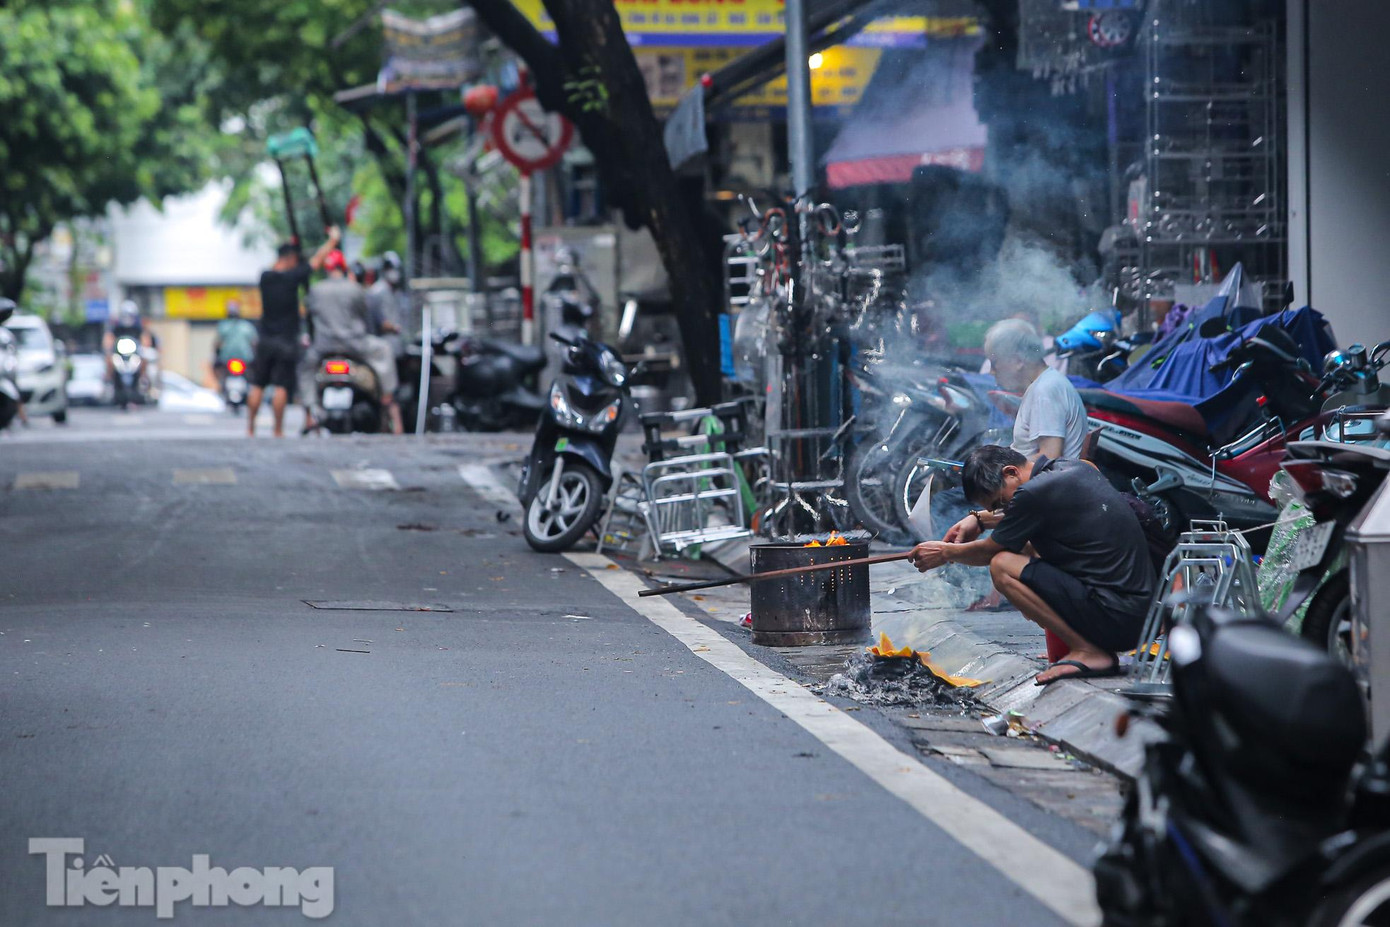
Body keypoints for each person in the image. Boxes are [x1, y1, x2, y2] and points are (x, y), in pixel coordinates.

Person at [909, 445, 1157, 686]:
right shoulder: (1075, 468)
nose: (1003, 510)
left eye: (999, 503)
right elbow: (1023, 512)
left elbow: (988, 551)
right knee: (1027, 547)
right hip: (1140, 619)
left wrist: (944, 552)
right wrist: (978, 519)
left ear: (1011, 472)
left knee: (1002, 565)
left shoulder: (1032, 493)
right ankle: (1079, 646)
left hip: (1118, 620)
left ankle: (1088, 651)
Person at [247, 229, 340, 437]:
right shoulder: (292, 278)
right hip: (286, 342)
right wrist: (332, 240)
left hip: (265, 340)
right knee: (281, 386)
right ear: (290, 259)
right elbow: (316, 261)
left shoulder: (265, 277)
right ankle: (277, 430)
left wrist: (288, 249)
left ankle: (250, 429)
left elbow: (278, 265)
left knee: (258, 384)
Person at [301, 249, 403, 434]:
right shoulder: (355, 289)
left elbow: (310, 317)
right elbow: (364, 315)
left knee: (305, 368)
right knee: (384, 349)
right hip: (355, 345)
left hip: (323, 347)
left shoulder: (316, 290)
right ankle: (387, 396)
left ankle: (308, 413)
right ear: (344, 268)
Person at [213, 300, 257, 388]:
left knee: (220, 375)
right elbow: (254, 343)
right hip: (243, 361)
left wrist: (217, 354)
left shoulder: (223, 325)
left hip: (230, 361)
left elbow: (217, 344)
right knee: (252, 379)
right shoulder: (247, 326)